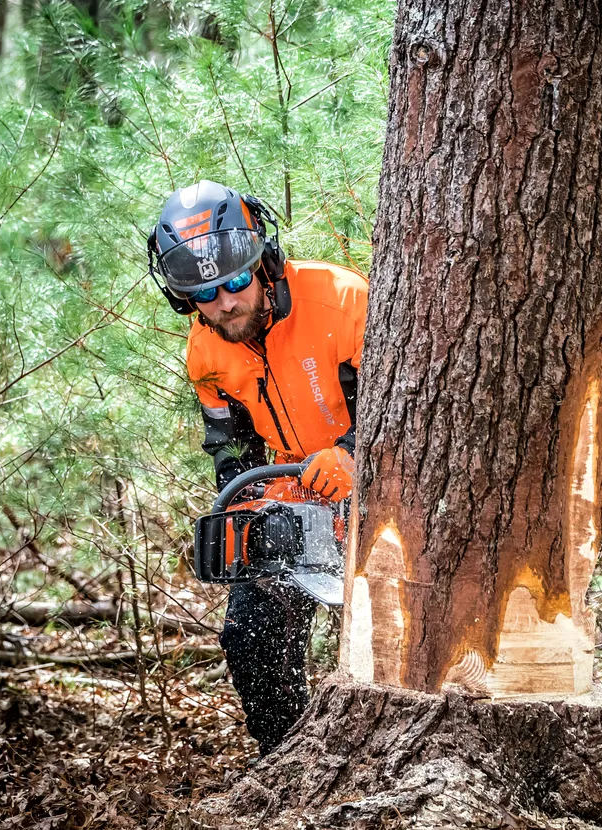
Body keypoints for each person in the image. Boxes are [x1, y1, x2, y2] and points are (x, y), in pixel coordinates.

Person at [147, 180, 367, 753]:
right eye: (206, 293)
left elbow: (407, 403)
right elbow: (231, 448)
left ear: (262, 262)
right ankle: (287, 757)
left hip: (383, 482)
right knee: (250, 633)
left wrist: (354, 451)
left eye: (238, 281)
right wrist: (242, 511)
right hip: (298, 489)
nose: (226, 303)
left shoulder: (342, 301)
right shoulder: (206, 349)